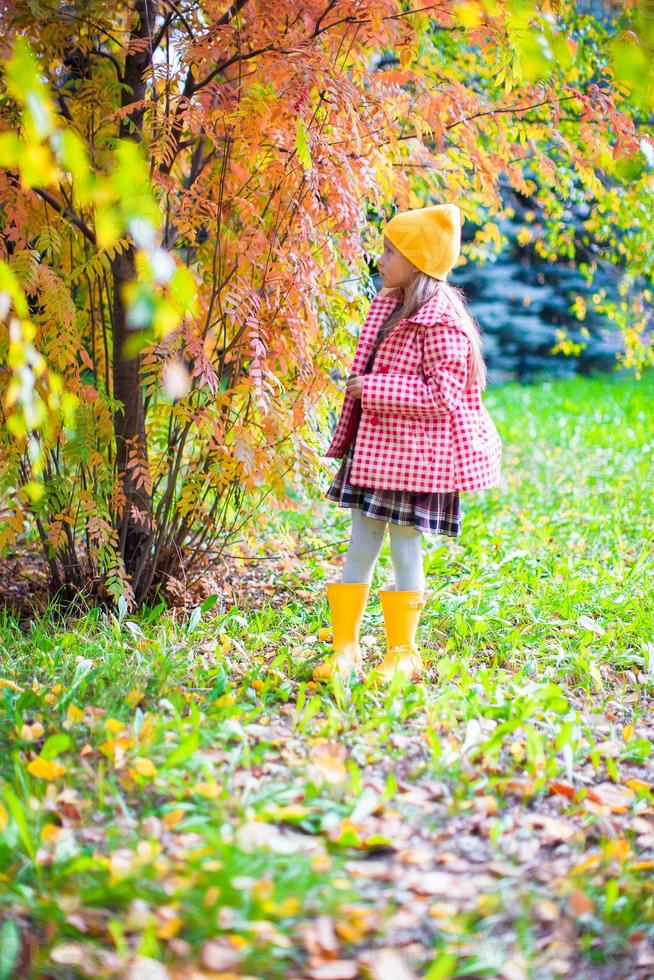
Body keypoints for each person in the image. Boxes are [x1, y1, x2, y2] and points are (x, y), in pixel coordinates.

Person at [317, 202, 502, 683]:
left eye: (390, 252)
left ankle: (403, 651)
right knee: (360, 545)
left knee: (404, 548)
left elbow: (444, 395)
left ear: (417, 261)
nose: (380, 259)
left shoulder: (441, 320)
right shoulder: (390, 304)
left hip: (414, 460)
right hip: (376, 452)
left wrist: (373, 389)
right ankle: (346, 648)